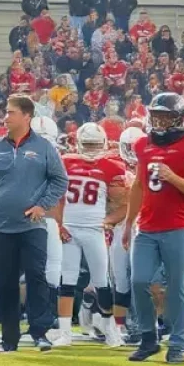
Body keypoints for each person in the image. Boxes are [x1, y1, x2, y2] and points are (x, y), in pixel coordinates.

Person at [122, 92, 184, 364]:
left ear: (177, 118)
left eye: (165, 116)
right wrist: (129, 222)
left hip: (178, 225)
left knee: (176, 284)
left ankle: (177, 341)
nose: (159, 121)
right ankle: (149, 338)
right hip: (148, 226)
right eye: (156, 115)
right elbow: (139, 185)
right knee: (139, 280)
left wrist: (173, 177)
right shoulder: (143, 144)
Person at [0, 94, 67, 353]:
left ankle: (40, 332)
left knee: (36, 277)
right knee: (5, 282)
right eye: (6, 112)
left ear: (26, 116)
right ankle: (9, 339)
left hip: (32, 226)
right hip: (1, 225)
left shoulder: (44, 147)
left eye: (11, 112)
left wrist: (43, 205)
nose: (5, 117)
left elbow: (60, 180)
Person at [53, 123, 128, 348]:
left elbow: (126, 203)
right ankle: (65, 332)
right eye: (88, 145)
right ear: (78, 144)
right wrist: (58, 223)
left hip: (94, 229)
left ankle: (111, 331)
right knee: (67, 281)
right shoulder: (65, 162)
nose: (92, 149)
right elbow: (56, 197)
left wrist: (108, 221)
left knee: (101, 282)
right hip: (70, 229)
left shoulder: (111, 166)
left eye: (95, 145)